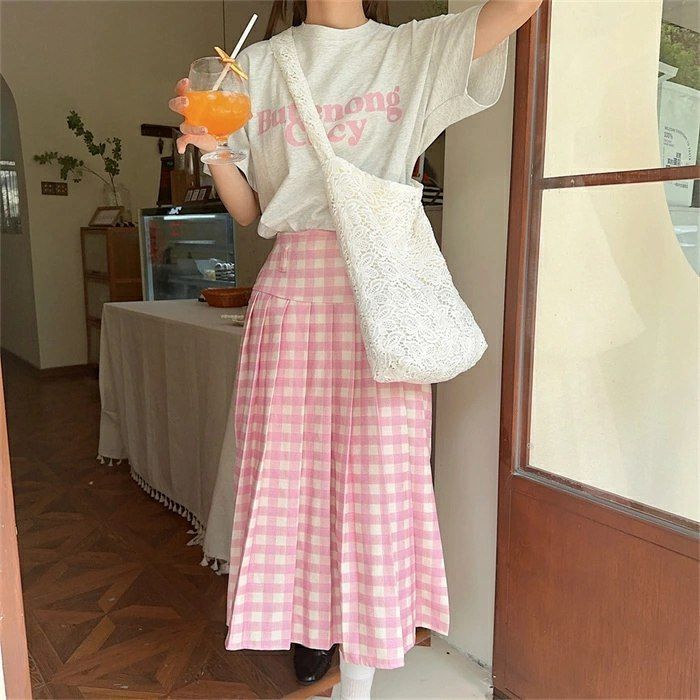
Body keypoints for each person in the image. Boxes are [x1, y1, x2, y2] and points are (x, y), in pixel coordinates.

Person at [169, 1, 541, 697]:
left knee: (380, 489)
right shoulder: (252, 67)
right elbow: (251, 211)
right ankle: (312, 633)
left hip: (383, 299)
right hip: (292, 292)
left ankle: (358, 683)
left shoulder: (412, 50)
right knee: (291, 483)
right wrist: (212, 145)